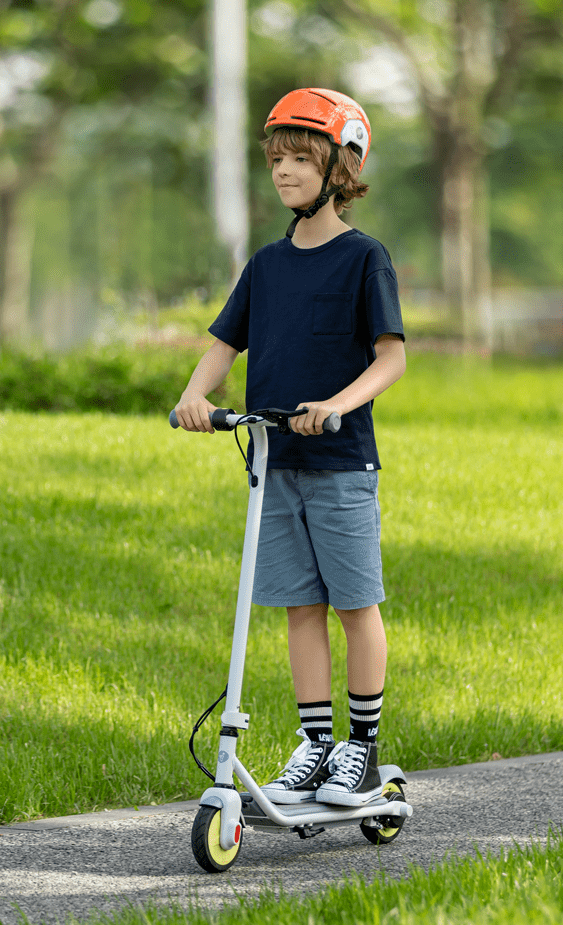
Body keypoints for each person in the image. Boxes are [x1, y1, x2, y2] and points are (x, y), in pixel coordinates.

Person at [173, 88, 406, 807]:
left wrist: (336, 405)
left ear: (340, 169)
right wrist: (194, 396)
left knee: (353, 603)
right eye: (277, 158)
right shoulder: (268, 265)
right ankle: (315, 745)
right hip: (273, 463)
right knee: (297, 607)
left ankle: (360, 752)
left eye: (301, 159)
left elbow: (391, 357)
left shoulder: (365, 258)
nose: (283, 171)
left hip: (338, 464)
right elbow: (224, 342)